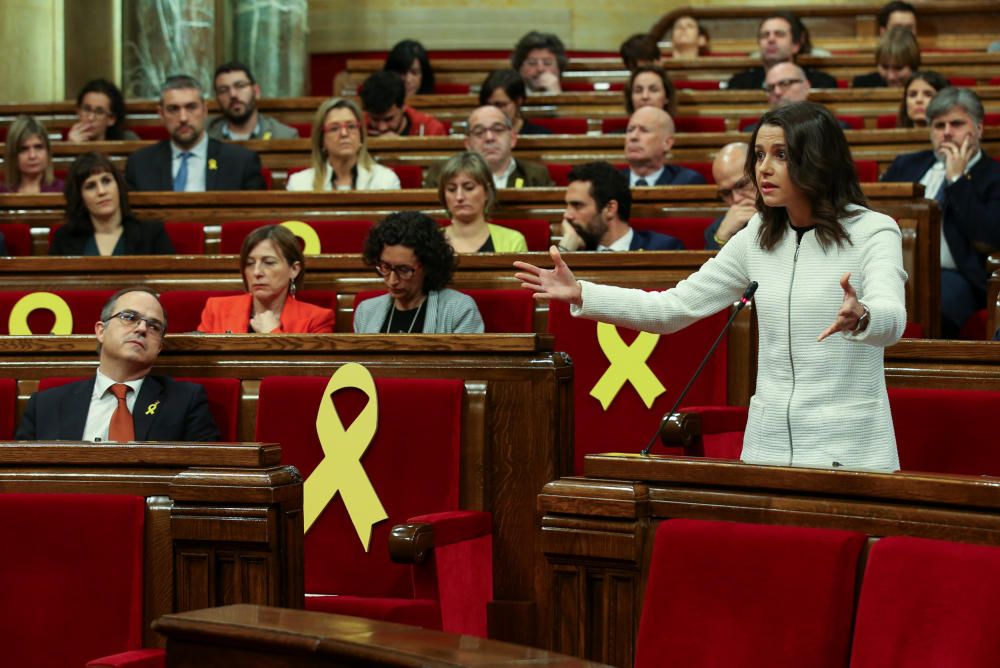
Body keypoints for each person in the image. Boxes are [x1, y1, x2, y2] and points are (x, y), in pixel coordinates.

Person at [515, 101, 907, 471]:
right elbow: (673, 308)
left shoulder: (873, 230)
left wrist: (863, 318)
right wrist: (583, 292)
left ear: (819, 160)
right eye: (759, 155)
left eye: (781, 155)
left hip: (848, 447)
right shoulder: (757, 236)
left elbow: (893, 318)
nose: (763, 169)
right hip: (766, 447)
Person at [16, 287, 220, 441]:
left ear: (159, 347)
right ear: (101, 331)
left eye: (154, 326)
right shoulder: (45, 405)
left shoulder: (186, 401)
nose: (142, 328)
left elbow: (203, 476)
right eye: (129, 317)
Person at [881, 87, 1000, 338]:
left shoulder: (993, 176)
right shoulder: (906, 164)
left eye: (956, 124)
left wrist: (956, 179)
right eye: (938, 125)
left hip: (956, 278)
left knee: (929, 308)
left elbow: (988, 237)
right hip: (890, 269)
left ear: (978, 128)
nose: (946, 132)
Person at [125, 75, 266, 192]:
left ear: (205, 110)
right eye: (173, 109)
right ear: (161, 114)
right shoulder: (140, 164)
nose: (183, 118)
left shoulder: (241, 162)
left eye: (191, 107)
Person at [355, 211, 484, 334]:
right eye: (386, 267)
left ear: (428, 265)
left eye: (404, 270)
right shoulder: (366, 311)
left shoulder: (459, 309)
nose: (392, 281)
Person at [198, 224, 334, 334]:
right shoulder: (216, 309)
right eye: (250, 263)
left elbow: (308, 368)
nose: (257, 272)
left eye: (269, 262)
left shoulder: (316, 320)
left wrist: (273, 333)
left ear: (294, 270)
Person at [51, 152, 174, 256]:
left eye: (106, 181)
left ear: (118, 186)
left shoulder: (152, 234)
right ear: (80, 197)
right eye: (90, 186)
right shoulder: (63, 238)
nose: (101, 191)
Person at [557, 161, 682, 252]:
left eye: (577, 205)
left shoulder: (662, 249)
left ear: (610, 209)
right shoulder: (573, 250)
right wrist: (565, 251)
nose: (567, 215)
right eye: (567, 206)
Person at [424, 106, 553, 189]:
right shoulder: (441, 174)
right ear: (467, 143)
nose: (489, 137)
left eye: (497, 130)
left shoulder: (535, 175)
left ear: (513, 138)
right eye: (479, 132)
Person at [285, 97, 400, 191]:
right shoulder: (300, 184)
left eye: (351, 126)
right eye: (334, 128)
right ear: (321, 139)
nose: (344, 133)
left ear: (361, 137)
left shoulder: (385, 180)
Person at [437, 151, 527, 253]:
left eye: (469, 188)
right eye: (451, 189)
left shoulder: (513, 241)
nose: (459, 197)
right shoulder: (430, 242)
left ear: (487, 192)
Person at [727, 12, 837, 90]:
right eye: (765, 35)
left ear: (796, 45)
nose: (771, 39)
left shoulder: (821, 83)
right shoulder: (739, 84)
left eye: (779, 34)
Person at [207, 62, 299, 141]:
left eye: (240, 86)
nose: (233, 94)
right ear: (217, 99)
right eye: (223, 90)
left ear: (256, 91)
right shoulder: (205, 136)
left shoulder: (283, 136)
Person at [622, 107, 705, 186]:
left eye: (644, 130)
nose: (633, 137)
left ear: (667, 143)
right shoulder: (611, 182)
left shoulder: (687, 181)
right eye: (630, 130)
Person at [359, 70, 447, 138]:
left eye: (389, 119)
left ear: (403, 107)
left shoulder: (432, 130)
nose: (382, 127)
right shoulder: (358, 129)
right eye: (375, 119)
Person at [704, 142, 757, 250]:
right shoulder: (716, 230)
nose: (736, 198)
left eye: (742, 185)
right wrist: (722, 238)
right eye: (726, 193)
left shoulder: (794, 215)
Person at [1, 115, 63, 194]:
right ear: (13, 155)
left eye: (38, 147)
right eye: (24, 149)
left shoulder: (63, 190)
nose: (32, 156)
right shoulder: (2, 193)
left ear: (47, 151)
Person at [479, 69, 551, 135]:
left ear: (518, 101)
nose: (493, 111)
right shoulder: (478, 135)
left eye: (500, 105)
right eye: (488, 105)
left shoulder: (540, 134)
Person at [66, 79, 139, 142]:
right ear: (78, 111)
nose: (90, 118)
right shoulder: (69, 142)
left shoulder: (127, 140)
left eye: (99, 112)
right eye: (87, 109)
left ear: (111, 119)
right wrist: (71, 148)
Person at [852, 27, 921, 88]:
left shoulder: (928, 86)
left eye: (898, 68)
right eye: (884, 67)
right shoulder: (862, 85)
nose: (891, 77)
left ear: (913, 67)